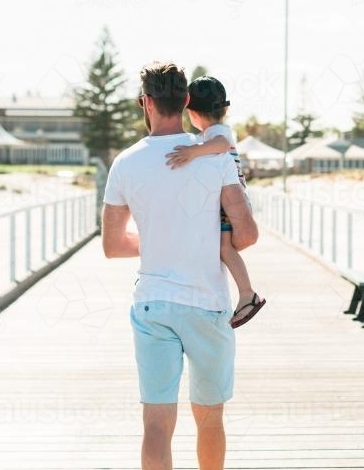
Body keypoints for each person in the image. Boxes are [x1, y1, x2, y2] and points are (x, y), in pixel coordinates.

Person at [101, 61, 259, 470]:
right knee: (209, 418)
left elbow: (113, 245)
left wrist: (160, 240)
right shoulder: (217, 154)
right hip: (207, 303)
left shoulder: (125, 162)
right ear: (186, 101)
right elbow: (246, 236)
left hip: (153, 303)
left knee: (156, 422)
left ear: (146, 103)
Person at [165, 76, 266, 328]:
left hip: (232, 202)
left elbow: (221, 145)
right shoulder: (210, 134)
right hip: (230, 201)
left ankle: (247, 294)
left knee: (224, 249)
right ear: (225, 108)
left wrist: (191, 152)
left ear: (191, 112)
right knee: (223, 248)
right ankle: (245, 293)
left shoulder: (217, 133)